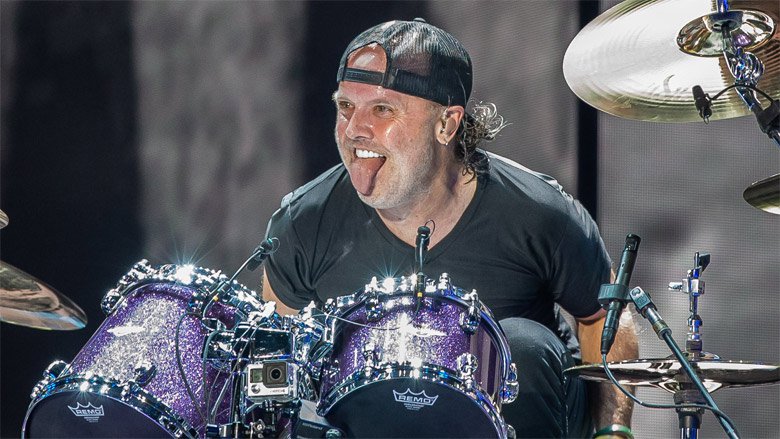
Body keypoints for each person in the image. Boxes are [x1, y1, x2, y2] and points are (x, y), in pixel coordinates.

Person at [262, 18, 638, 438]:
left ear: (447, 124)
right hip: (379, 423)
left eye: (382, 110)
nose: (353, 130)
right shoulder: (305, 219)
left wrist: (613, 431)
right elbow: (274, 350)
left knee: (523, 345)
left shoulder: (539, 212)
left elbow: (604, 317)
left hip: (524, 419)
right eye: (346, 106)